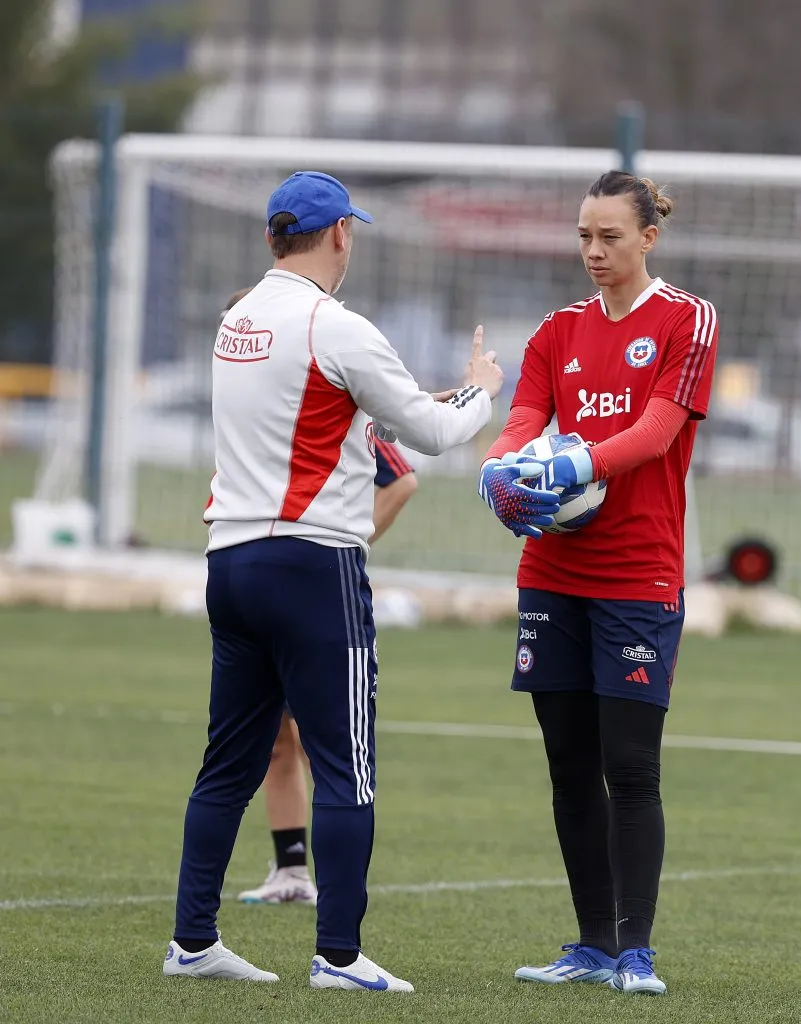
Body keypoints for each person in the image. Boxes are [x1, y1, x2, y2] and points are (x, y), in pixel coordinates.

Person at [164, 170, 518, 991]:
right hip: (312, 564)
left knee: (228, 762)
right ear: (340, 235)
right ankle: (338, 958)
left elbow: (321, 410)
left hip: (231, 558)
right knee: (346, 764)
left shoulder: (237, 320)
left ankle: (192, 941)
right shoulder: (335, 323)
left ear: (269, 237)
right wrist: (483, 388)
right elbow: (430, 432)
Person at [478, 171, 719, 996]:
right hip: (551, 570)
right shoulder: (556, 330)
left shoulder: (686, 320)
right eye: (583, 235)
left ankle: (636, 952)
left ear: (647, 237)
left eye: (609, 236)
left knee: (631, 766)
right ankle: (588, 945)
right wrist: (503, 469)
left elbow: (655, 430)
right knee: (568, 765)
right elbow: (524, 414)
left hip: (637, 575)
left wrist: (580, 458)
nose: (592, 250)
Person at [212, 287, 419, 910]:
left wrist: (347, 545)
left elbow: (401, 478)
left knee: (317, 742)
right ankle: (289, 870)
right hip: (256, 577)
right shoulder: (244, 402)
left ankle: (339, 924)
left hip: (312, 583)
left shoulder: (321, 392)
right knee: (272, 739)